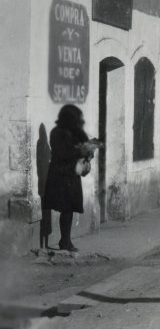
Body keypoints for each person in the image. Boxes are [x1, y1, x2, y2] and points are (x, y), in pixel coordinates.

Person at [42, 105, 98, 252]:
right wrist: (81, 149)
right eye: (75, 119)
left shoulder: (76, 132)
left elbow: (83, 148)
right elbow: (62, 153)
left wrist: (89, 150)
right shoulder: (56, 133)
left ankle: (65, 240)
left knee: (70, 208)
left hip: (72, 174)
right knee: (64, 207)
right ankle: (64, 241)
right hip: (60, 174)